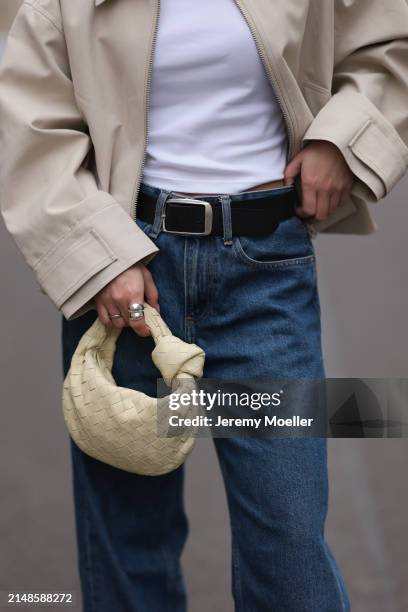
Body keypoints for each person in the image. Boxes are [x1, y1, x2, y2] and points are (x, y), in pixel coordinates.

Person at [1, 1, 407, 610]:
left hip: (266, 273)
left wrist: (342, 142)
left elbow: (388, 41)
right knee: (130, 543)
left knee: (289, 539)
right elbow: (31, 120)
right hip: (128, 277)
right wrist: (102, 259)